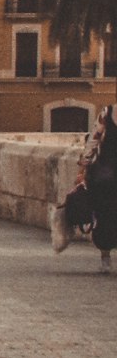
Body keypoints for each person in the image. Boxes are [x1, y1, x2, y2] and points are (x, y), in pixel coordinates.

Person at [79, 102, 117, 273]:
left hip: (105, 172)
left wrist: (84, 166)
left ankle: (105, 257)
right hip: (108, 175)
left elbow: (93, 139)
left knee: (105, 215)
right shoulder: (107, 112)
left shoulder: (108, 112)